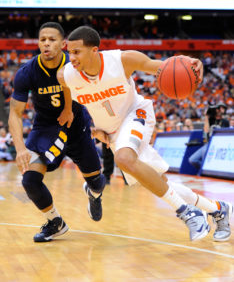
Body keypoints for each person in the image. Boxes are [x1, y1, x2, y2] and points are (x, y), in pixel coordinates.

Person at [57, 26, 232, 242]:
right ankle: (218, 209)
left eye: (76, 52)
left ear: (94, 50)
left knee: (124, 158)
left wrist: (189, 61)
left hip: (136, 114)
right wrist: (86, 123)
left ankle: (188, 213)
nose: (71, 58)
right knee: (158, 183)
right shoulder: (67, 75)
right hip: (112, 133)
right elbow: (69, 92)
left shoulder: (122, 60)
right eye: (69, 52)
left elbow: (163, 67)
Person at [8, 22, 106, 243]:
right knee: (30, 179)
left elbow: (97, 94)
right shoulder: (27, 72)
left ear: (63, 44)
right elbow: (15, 113)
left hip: (77, 126)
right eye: (42, 40)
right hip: (46, 128)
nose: (46, 44)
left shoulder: (77, 64)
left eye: (52, 40)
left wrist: (99, 123)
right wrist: (20, 148)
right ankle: (55, 222)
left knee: (97, 182)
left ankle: (94, 194)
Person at [189, 102, 230, 170]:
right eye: (219, 108)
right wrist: (207, 117)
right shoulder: (211, 120)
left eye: (222, 109)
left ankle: (205, 171)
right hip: (208, 143)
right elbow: (206, 131)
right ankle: (204, 170)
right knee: (192, 160)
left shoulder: (225, 121)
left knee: (204, 154)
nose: (220, 110)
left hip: (218, 144)